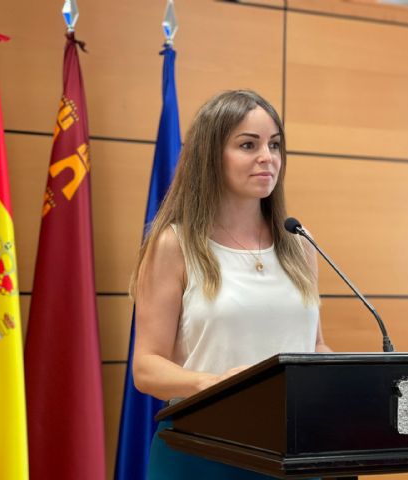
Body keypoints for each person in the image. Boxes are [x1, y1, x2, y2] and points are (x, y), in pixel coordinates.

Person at [131, 90, 332, 479]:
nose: (267, 157)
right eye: (248, 145)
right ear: (210, 155)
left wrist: (343, 376)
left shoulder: (299, 244)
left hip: (296, 449)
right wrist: (216, 383)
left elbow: (314, 344)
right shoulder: (174, 245)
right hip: (202, 451)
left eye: (275, 145)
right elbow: (147, 366)